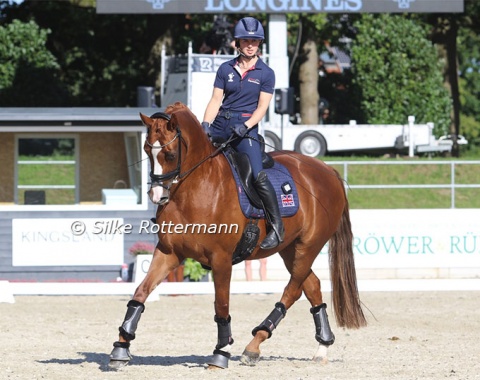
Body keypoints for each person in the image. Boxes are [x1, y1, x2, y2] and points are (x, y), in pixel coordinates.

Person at [201, 17, 284, 250]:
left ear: (260, 44)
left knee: (258, 176)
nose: (250, 45)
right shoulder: (225, 68)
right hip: (220, 124)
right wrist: (206, 124)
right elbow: (216, 99)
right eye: (246, 40)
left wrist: (246, 126)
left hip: (245, 128)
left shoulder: (266, 73)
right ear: (238, 42)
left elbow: (262, 108)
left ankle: (277, 226)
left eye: (255, 41)